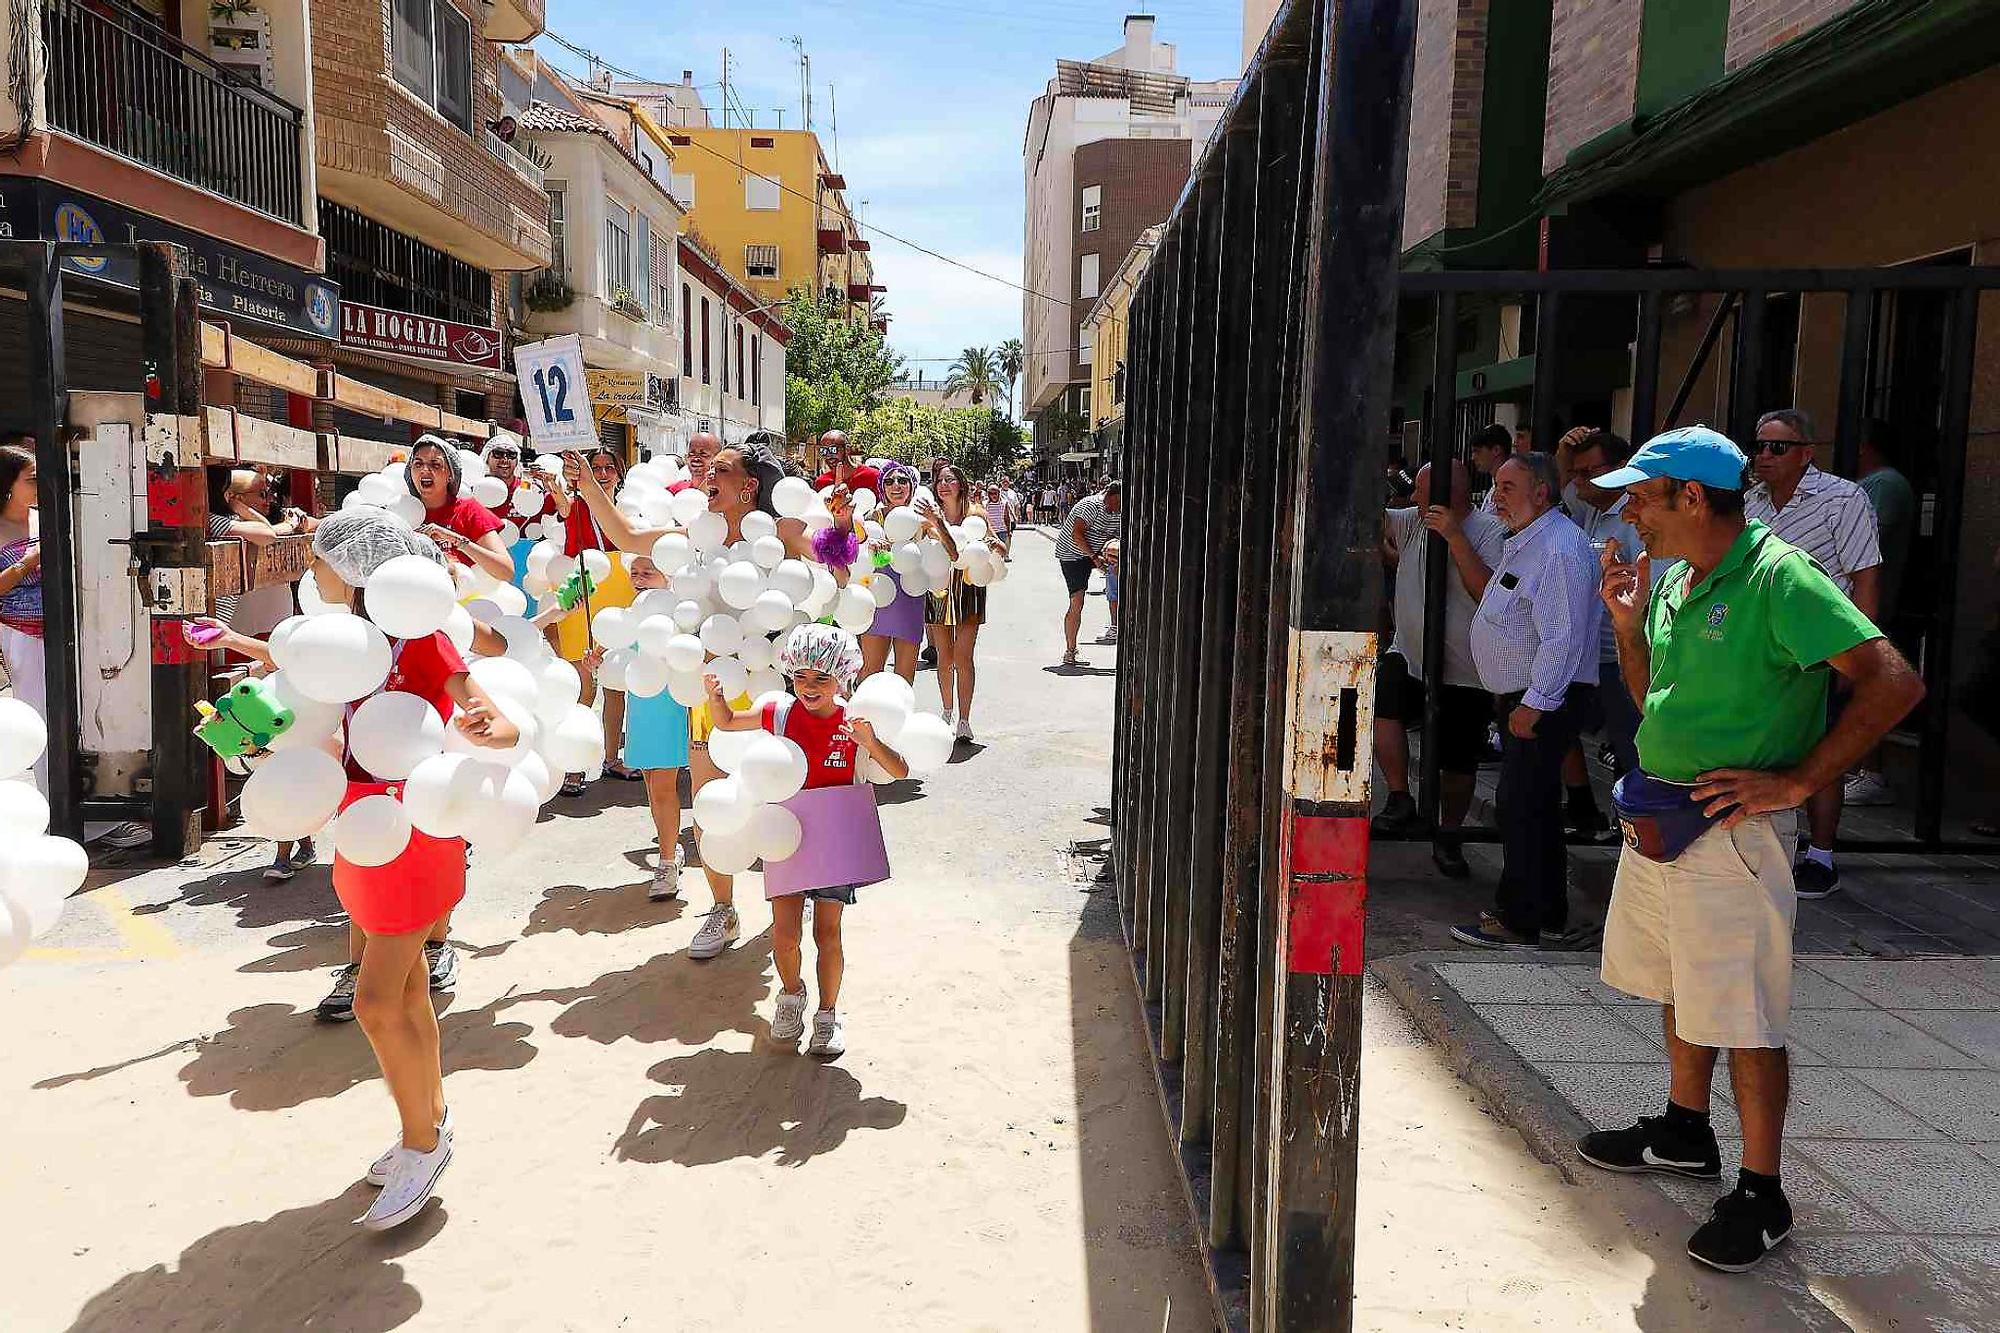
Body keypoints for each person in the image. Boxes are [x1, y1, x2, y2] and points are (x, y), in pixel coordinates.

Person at [1580, 426, 1922, 1272]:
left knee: (1748, 1018)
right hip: (1663, 820)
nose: (1628, 513)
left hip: (1733, 836)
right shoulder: (1676, 580)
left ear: (1691, 497)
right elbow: (1653, 695)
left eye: (1640, 496)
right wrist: (1627, 626)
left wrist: (1799, 782)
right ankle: (1685, 1128)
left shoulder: (1779, 575)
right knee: (1680, 985)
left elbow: (1894, 680)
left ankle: (1763, 1192)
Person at [213, 509, 524, 1230]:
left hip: (414, 831)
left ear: (349, 571)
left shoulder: (421, 643)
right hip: (358, 831)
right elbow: (308, 731)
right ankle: (429, 1122)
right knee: (408, 996)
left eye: (318, 558)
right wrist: (254, 738)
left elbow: (499, 721)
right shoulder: (334, 647)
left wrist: (483, 729)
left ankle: (422, 1144)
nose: (310, 570)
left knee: (376, 1001)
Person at [567, 440, 822, 961]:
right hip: (711, 694)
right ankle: (722, 910)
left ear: (749, 486)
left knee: (779, 801)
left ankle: (792, 901)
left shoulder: (782, 532)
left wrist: (837, 528)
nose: (706, 475)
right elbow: (627, 536)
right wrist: (590, 486)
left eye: (721, 471)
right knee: (709, 810)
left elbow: (835, 557)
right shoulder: (693, 539)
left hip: (774, 694)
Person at [703, 625, 909, 1058]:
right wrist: (716, 695)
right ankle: (791, 996)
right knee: (784, 935)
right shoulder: (778, 712)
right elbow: (724, 722)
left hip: (835, 836)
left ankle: (828, 1015)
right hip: (785, 834)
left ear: (841, 678)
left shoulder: (855, 720)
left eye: (821, 679)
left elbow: (900, 770)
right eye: (801, 677)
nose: (809, 688)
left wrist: (870, 742)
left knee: (827, 932)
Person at [1454, 452, 1602, 950]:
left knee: (1522, 805)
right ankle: (1544, 913)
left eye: (1509, 487)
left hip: (1542, 696)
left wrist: (1536, 702)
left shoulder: (1559, 547)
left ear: (1542, 491)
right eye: (1495, 486)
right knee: (1530, 804)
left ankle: (1522, 918)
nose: (1497, 496)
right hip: (1525, 695)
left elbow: (1565, 634)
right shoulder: (1527, 541)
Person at [1745, 408, 1883, 899]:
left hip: (1823, 649)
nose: (1764, 455)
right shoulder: (1751, 504)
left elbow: (1864, 575)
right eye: (1759, 445)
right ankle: (1769, 846)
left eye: (1777, 447)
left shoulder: (1843, 499)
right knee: (1769, 747)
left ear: (1806, 453)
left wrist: (1860, 656)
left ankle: (1821, 855)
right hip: (1763, 653)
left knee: (1824, 752)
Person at [1371, 460, 1504, 877]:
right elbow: (1374, 523)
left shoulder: (1490, 531)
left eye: (1422, 492)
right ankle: (1399, 796)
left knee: (1457, 763)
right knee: (1382, 710)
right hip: (1409, 653)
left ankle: (1449, 833)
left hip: (1466, 669)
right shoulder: (1414, 521)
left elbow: (1486, 590)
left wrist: (1453, 535)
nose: (1413, 499)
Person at [589, 555, 690, 901]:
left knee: (663, 786)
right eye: (635, 573)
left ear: (668, 574)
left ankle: (666, 864)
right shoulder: (631, 612)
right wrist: (596, 659)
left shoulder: (679, 612)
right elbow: (611, 649)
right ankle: (670, 846)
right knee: (651, 782)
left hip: (670, 705)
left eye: (649, 572)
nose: (640, 578)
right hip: (641, 707)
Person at [1561, 430, 1647, 830]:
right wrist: (1564, 453)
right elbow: (1554, 497)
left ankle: (1632, 831)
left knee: (1633, 751)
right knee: (1616, 744)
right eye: (1575, 474)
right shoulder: (1594, 508)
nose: (1578, 482)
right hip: (1599, 657)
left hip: (1628, 657)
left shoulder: (1635, 520)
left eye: (1586, 473)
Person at [549, 447, 640, 789]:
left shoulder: (629, 511)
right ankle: (573, 766)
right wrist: (560, 492)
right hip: (579, 585)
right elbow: (562, 507)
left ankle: (612, 758)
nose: (602, 474)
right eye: (596, 467)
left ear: (619, 474)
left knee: (616, 684)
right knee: (582, 685)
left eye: (608, 468)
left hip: (618, 587)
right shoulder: (574, 502)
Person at [1845, 418, 1918, 808]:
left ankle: (1870, 773)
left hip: (1871, 606)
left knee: (1866, 684)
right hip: (1854, 605)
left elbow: (1866, 542)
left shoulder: (1885, 484)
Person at [924, 463, 993, 743]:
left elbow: (991, 544)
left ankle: (964, 720)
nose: (944, 485)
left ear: (961, 485)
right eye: (940, 480)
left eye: (950, 480)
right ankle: (946, 712)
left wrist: (995, 545)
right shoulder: (927, 517)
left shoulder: (976, 514)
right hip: (939, 588)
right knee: (944, 657)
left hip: (969, 588)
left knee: (963, 657)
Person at [406, 435, 515, 587]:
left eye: (435, 465)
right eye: (418, 464)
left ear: (451, 474)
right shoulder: (401, 513)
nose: (425, 470)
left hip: (463, 605)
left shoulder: (469, 510)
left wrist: (454, 539)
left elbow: (506, 571)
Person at [0, 444, 44, 792]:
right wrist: (28, 563)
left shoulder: (42, 518)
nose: (39, 485)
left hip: (64, 626)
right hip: (21, 632)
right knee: (38, 713)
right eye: (31, 479)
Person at [859, 463, 927, 683]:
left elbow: (951, 553)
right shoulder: (872, 518)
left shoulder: (922, 519)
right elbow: (866, 562)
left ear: (912, 486)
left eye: (902, 480)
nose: (896, 486)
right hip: (878, 600)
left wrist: (936, 521)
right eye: (889, 481)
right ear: (882, 488)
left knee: (905, 677)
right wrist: (872, 547)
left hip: (910, 599)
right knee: (870, 673)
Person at [1054, 481, 1122, 667]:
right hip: (1073, 554)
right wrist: (1095, 558)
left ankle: (1116, 626)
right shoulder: (1090, 505)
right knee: (1078, 600)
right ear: (1109, 495)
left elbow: (1116, 537)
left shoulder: (1120, 511)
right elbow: (1077, 534)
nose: (1118, 507)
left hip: (1097, 551)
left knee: (1119, 580)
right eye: (1117, 502)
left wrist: (1111, 558)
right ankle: (1070, 650)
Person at [813, 430, 880, 497]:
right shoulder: (821, 482)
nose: (828, 456)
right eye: (823, 451)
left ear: (847, 449)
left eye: (833, 450)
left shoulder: (873, 476)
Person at [1469, 423, 1512, 515]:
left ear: (1496, 450)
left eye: (1477, 451)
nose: (1473, 457)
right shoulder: (1493, 489)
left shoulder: (1513, 489)